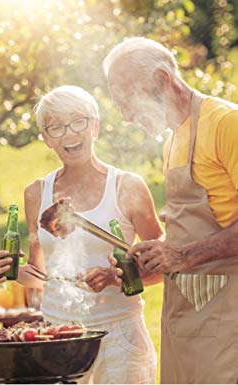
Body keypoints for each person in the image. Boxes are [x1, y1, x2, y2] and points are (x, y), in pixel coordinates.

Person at [0, 85, 164, 384]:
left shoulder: (128, 187)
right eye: (56, 127)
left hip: (119, 337)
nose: (69, 133)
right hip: (57, 337)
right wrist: (15, 270)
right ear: (45, 139)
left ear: (94, 126)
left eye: (78, 121)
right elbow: (43, 276)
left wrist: (113, 277)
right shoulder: (37, 193)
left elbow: (163, 266)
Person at [103, 37, 238, 383]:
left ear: (163, 80)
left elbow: (186, 250)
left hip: (229, 315)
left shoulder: (226, 124)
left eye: (127, 101)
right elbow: (188, 235)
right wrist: (150, 260)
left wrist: (181, 255)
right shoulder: (172, 141)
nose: (126, 116)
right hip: (185, 315)